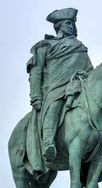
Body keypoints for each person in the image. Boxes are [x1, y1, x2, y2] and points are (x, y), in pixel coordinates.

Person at [27, 8, 93, 164]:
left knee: (98, 111)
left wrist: (89, 77)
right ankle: (48, 144)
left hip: (78, 86)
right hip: (55, 88)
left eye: (72, 24)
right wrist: (36, 95)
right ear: (59, 26)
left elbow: (90, 69)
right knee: (54, 106)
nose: (71, 27)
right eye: (68, 23)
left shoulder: (79, 46)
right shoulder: (45, 45)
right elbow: (36, 72)